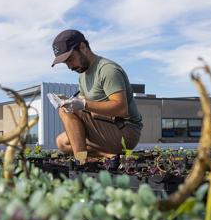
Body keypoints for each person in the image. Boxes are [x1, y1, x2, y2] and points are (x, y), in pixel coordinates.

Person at [50, 29, 142, 161]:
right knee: (62, 142)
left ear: (82, 47)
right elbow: (83, 110)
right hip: (105, 130)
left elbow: (121, 109)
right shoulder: (83, 76)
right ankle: (109, 155)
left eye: (70, 59)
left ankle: (81, 161)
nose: (69, 67)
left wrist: (82, 104)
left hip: (124, 131)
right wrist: (74, 101)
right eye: (66, 63)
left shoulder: (107, 70)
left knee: (64, 110)